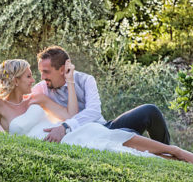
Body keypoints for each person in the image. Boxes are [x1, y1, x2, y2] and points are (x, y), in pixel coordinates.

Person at [0, 59, 193, 166]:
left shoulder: (37, 96)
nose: (34, 78)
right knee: (116, 148)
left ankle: (180, 152)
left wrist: (63, 119)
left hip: (66, 133)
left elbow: (70, 117)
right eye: (28, 75)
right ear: (15, 80)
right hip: (48, 144)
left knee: (109, 136)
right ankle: (186, 161)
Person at [32, 46, 173, 145]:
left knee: (150, 111)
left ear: (62, 69)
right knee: (128, 133)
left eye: (46, 72)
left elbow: (94, 111)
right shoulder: (42, 88)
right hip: (88, 136)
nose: (42, 76)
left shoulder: (86, 80)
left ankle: (167, 152)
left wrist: (65, 126)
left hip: (104, 128)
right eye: (41, 72)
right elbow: (21, 101)